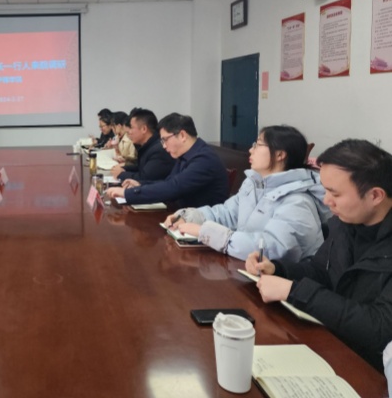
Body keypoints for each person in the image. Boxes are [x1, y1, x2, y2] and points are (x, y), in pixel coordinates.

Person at [246, 139, 392, 371]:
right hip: (332, 343)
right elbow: (321, 271)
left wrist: (294, 291)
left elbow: (379, 328)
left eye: (335, 193)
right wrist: (278, 268)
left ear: (375, 195)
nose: (326, 201)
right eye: (325, 189)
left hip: (370, 367)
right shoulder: (346, 223)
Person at [167, 125, 329, 261]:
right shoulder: (254, 184)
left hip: (281, 282)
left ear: (280, 154)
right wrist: (188, 216)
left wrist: (207, 233)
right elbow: (228, 213)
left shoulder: (298, 201)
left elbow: (272, 249)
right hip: (246, 268)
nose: (251, 150)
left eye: (258, 144)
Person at [107, 112, 227, 207]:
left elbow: (173, 187)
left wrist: (127, 193)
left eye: (165, 140)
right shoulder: (185, 155)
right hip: (182, 214)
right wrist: (140, 184)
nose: (164, 146)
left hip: (199, 223)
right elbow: (168, 182)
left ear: (182, 135)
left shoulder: (204, 159)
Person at [110, 107, 174, 182]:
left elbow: (145, 178)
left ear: (144, 129)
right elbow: (142, 168)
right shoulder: (148, 145)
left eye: (132, 128)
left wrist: (121, 174)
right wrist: (124, 168)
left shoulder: (158, 150)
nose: (129, 132)